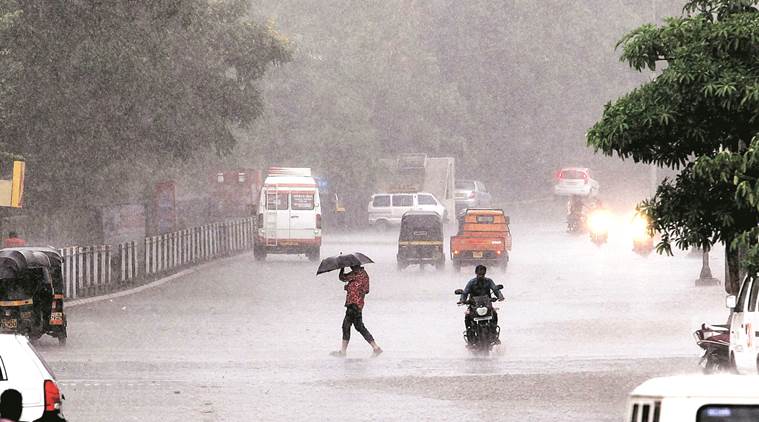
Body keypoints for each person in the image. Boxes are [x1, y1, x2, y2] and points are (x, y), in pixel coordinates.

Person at [331, 265, 382, 357]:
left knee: (346, 326)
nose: (351, 267)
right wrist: (352, 286)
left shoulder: (355, 274)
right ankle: (376, 347)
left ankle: (343, 352)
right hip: (359, 304)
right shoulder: (364, 275)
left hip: (353, 304)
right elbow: (366, 290)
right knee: (359, 327)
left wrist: (342, 269)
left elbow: (342, 277)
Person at [458, 265, 504, 344]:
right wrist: (462, 300)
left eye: (483, 274)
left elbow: (495, 289)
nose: (481, 276)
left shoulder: (489, 281)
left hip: (487, 305)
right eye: (479, 274)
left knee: (495, 314)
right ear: (476, 273)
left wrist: (500, 296)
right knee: (467, 316)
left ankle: (494, 334)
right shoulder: (471, 282)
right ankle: (470, 336)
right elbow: (465, 292)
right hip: (474, 305)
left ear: (485, 274)